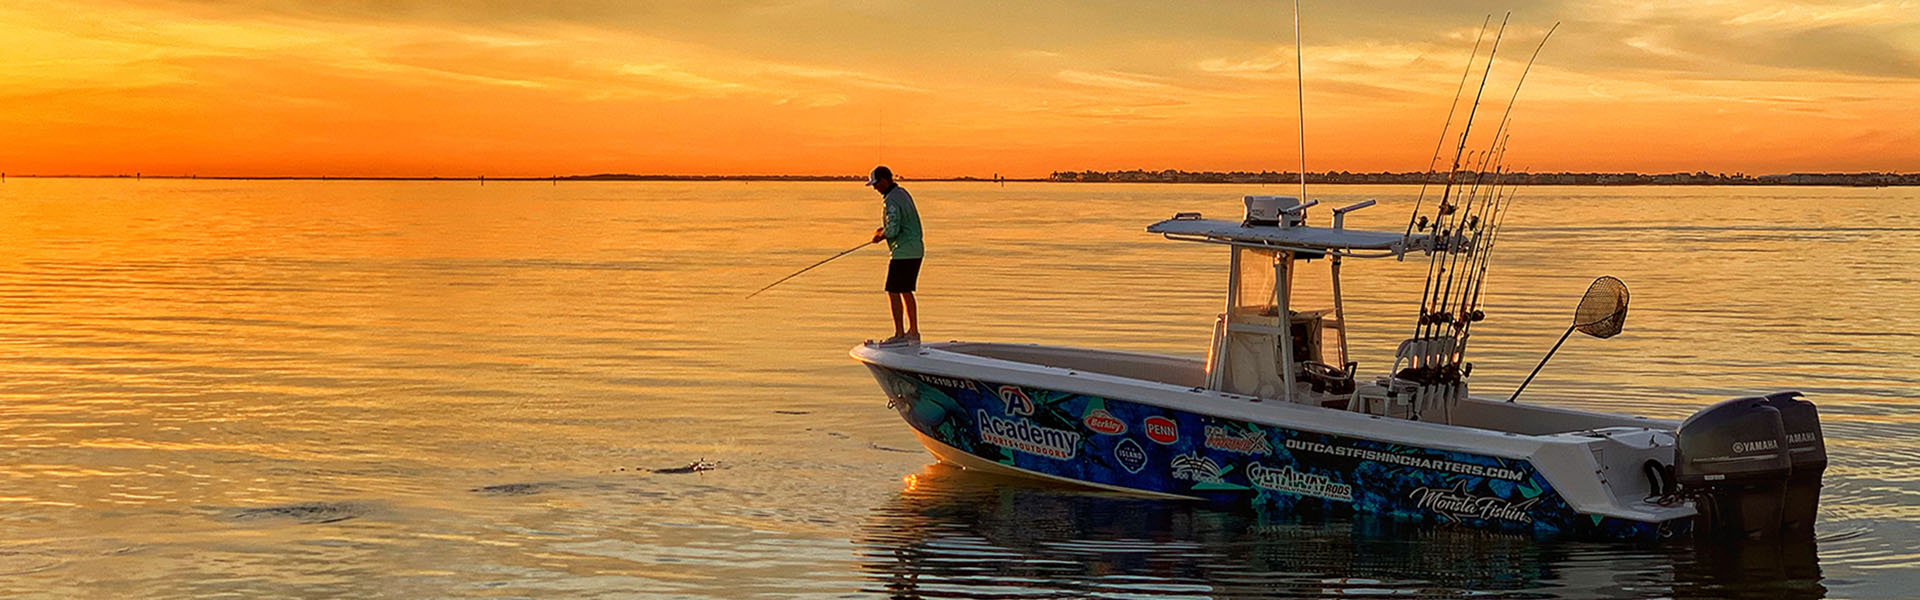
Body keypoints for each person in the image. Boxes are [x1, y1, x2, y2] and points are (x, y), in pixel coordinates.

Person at [867, 166, 922, 345]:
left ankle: (900, 334)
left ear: (884, 180)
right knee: (906, 291)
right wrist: (883, 230)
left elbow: (893, 229)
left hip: (903, 251)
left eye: (876, 184)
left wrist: (879, 235)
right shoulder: (902, 193)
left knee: (893, 290)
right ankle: (913, 332)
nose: (875, 189)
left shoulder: (891, 199)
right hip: (916, 249)